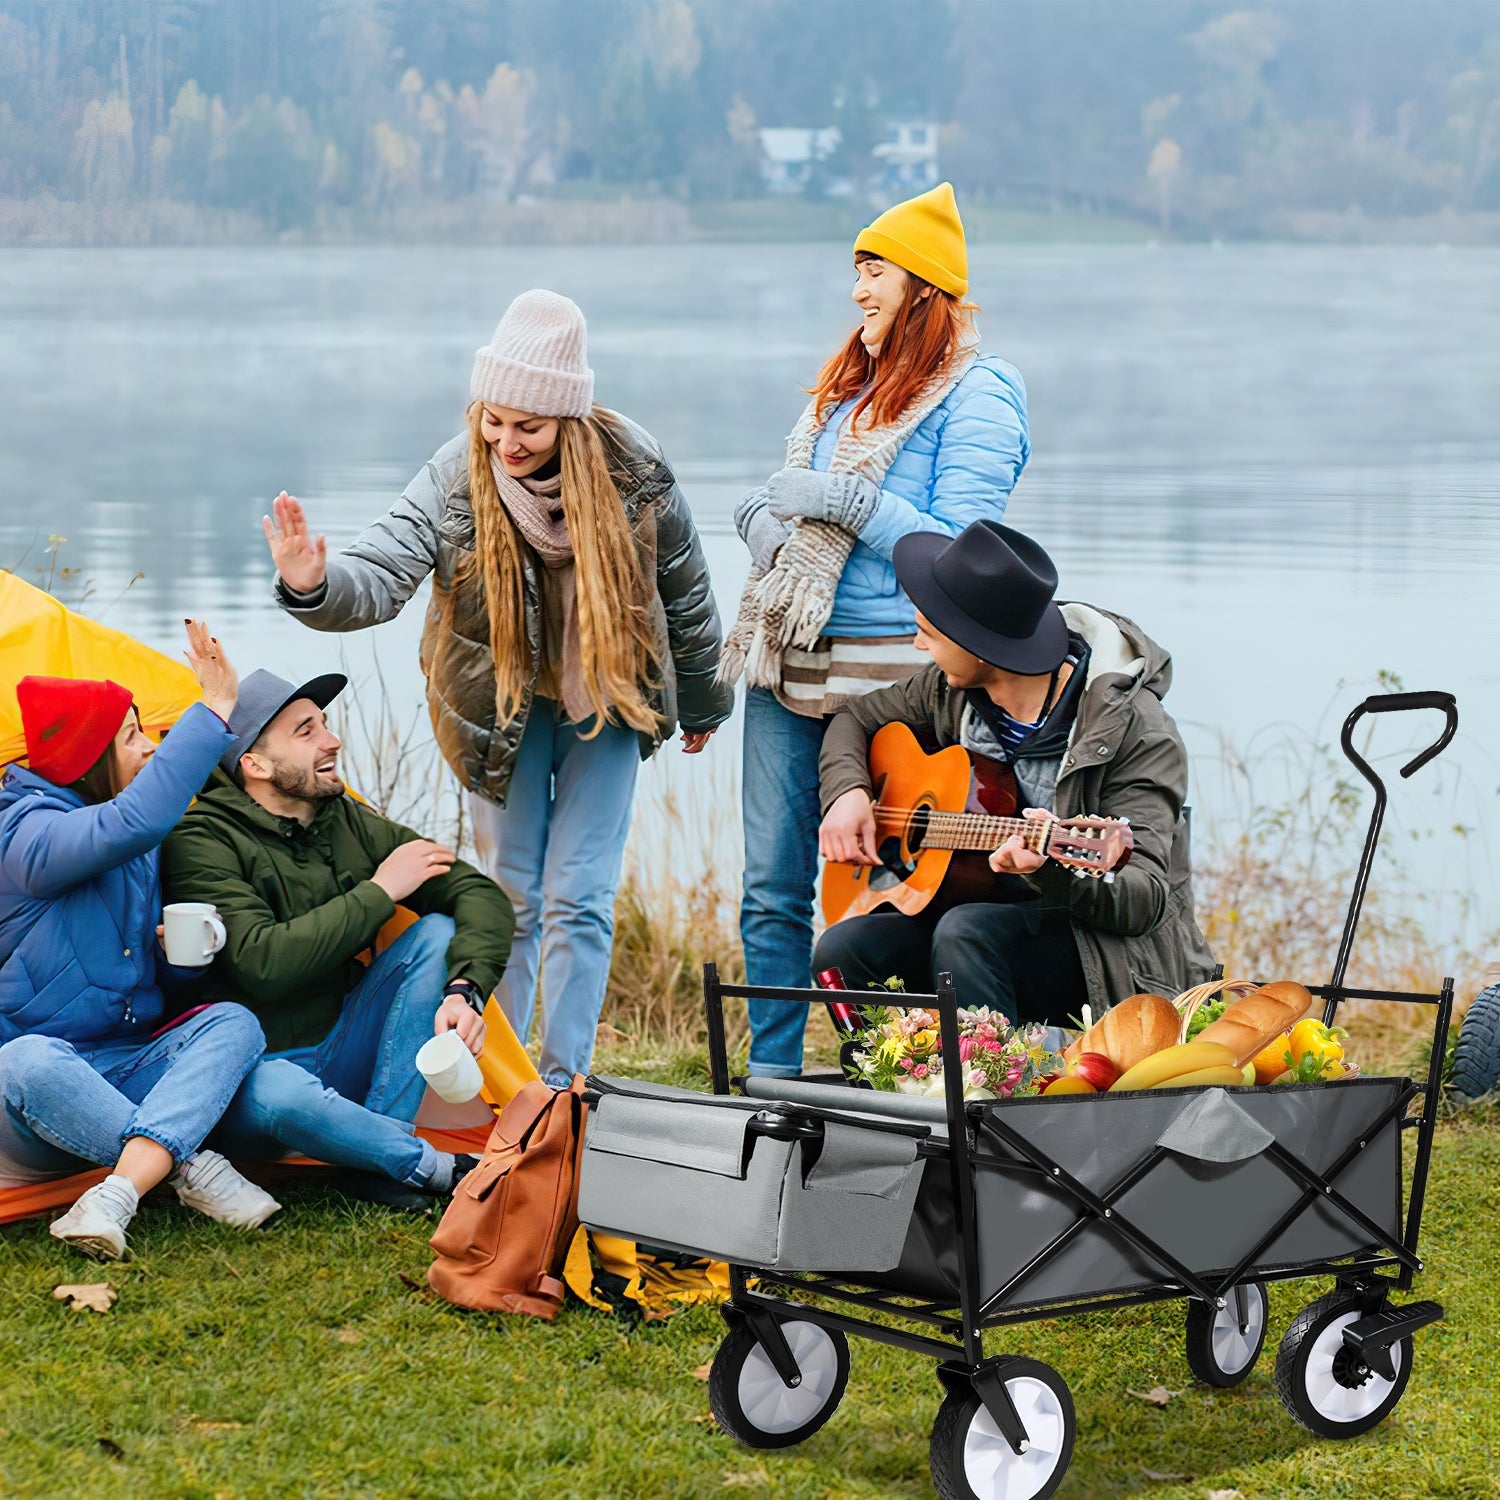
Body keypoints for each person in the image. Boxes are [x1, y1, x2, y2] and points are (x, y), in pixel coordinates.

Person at [258, 289, 732, 1085]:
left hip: (607, 698)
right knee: (511, 898)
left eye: (529, 426)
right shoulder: (454, 477)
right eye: (494, 419)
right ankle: (506, 1080)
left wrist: (706, 698)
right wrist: (314, 585)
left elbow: (685, 588)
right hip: (498, 706)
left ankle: (562, 1083)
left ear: (567, 419)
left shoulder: (633, 466)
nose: (506, 441)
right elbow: (382, 570)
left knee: (581, 897)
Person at [720, 182, 1031, 1077]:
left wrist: (848, 502)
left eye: (873, 269)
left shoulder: (981, 391)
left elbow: (962, 545)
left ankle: (901, 1071)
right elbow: (785, 488)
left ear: (924, 282)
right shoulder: (849, 383)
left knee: (894, 889)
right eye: (856, 269)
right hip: (790, 660)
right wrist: (764, 526)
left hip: (894, 670)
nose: (858, 289)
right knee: (772, 889)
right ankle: (774, 1075)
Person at [813, 520, 1215, 1021]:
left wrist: (1050, 870)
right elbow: (855, 717)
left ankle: (990, 1095)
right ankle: (894, 1089)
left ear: (979, 644)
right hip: (973, 910)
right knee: (845, 949)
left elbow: (1143, 900)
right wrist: (847, 793)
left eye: (929, 635)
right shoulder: (947, 689)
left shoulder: (1137, 732)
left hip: (1100, 951)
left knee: (968, 931)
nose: (920, 648)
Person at [161, 669, 515, 1206]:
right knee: (276, 1089)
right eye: (306, 732)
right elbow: (264, 964)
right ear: (254, 765)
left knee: (438, 932)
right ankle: (426, 1166)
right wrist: (381, 891)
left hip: (345, 1054)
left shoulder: (343, 818)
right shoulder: (200, 841)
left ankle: (381, 1153)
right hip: (255, 1080)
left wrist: (466, 990)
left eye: (324, 725)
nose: (332, 740)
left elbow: (476, 894)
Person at [0, 624, 281, 1260]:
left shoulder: (134, 841)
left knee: (234, 1022)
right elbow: (136, 820)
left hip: (128, 1065)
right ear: (88, 758)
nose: (151, 748)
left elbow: (136, 983)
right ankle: (188, 1168)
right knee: (26, 1061)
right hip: (40, 1092)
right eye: (134, 735)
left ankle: (119, 1191)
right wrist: (212, 710)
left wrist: (176, 964)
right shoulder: (23, 838)